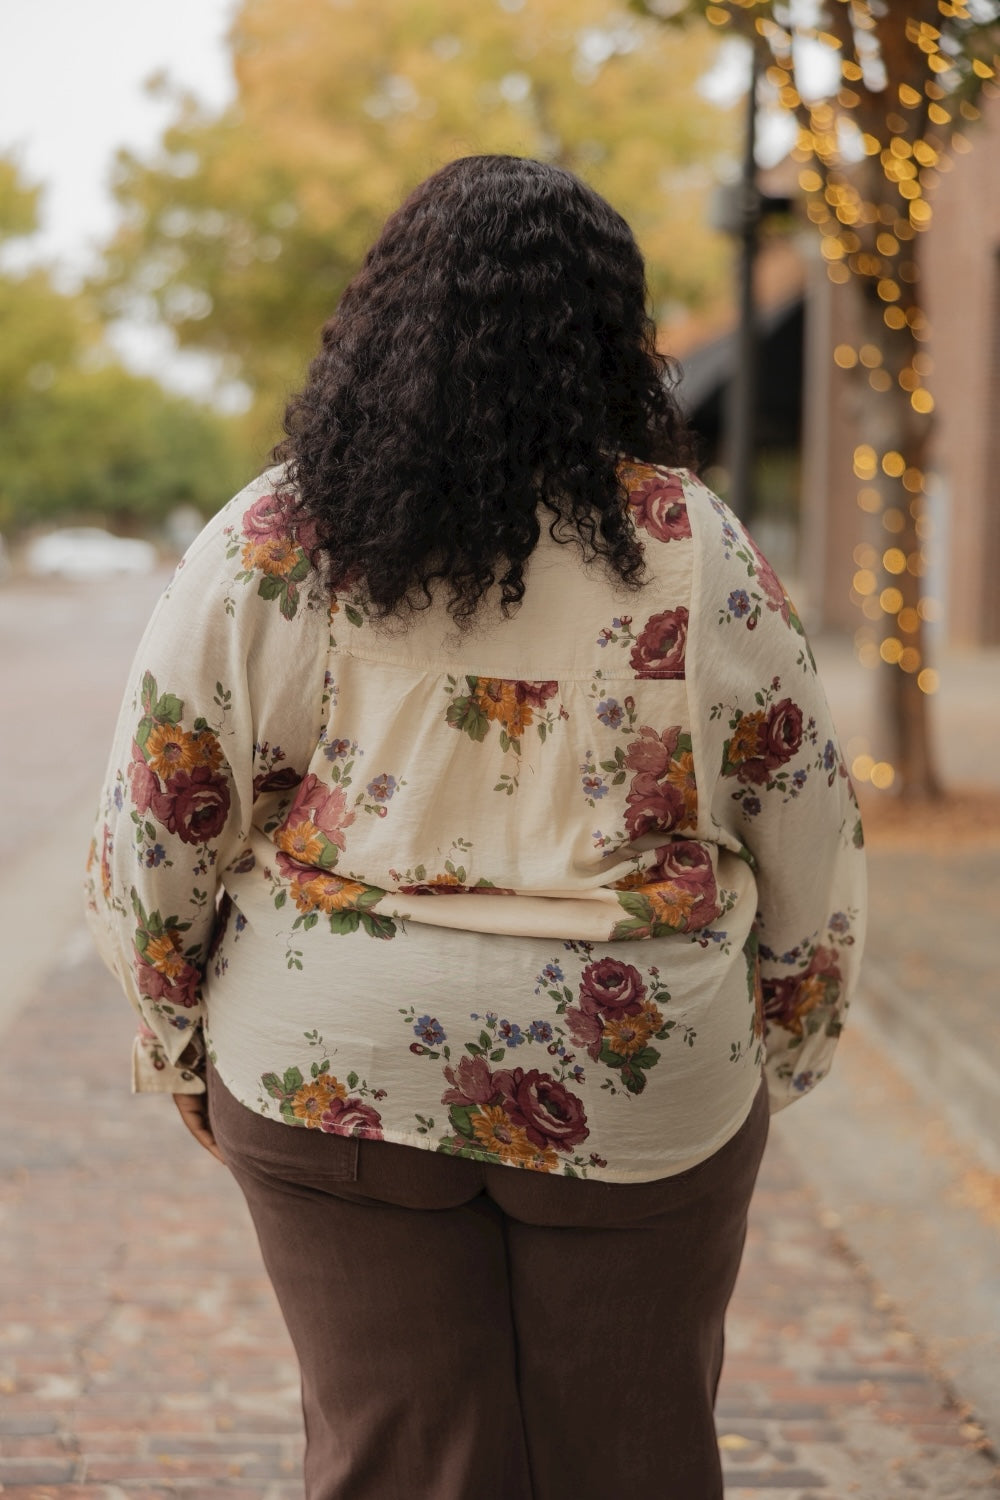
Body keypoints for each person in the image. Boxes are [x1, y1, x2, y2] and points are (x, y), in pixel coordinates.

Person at [86, 154, 865, 1500]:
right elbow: (805, 832)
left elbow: (161, 816)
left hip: (337, 1060)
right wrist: (779, 1048)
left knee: (396, 1454)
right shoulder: (691, 543)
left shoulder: (282, 532)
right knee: (633, 1455)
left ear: (386, 316)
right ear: (613, 337)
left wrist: (176, 1042)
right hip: (634, 1077)